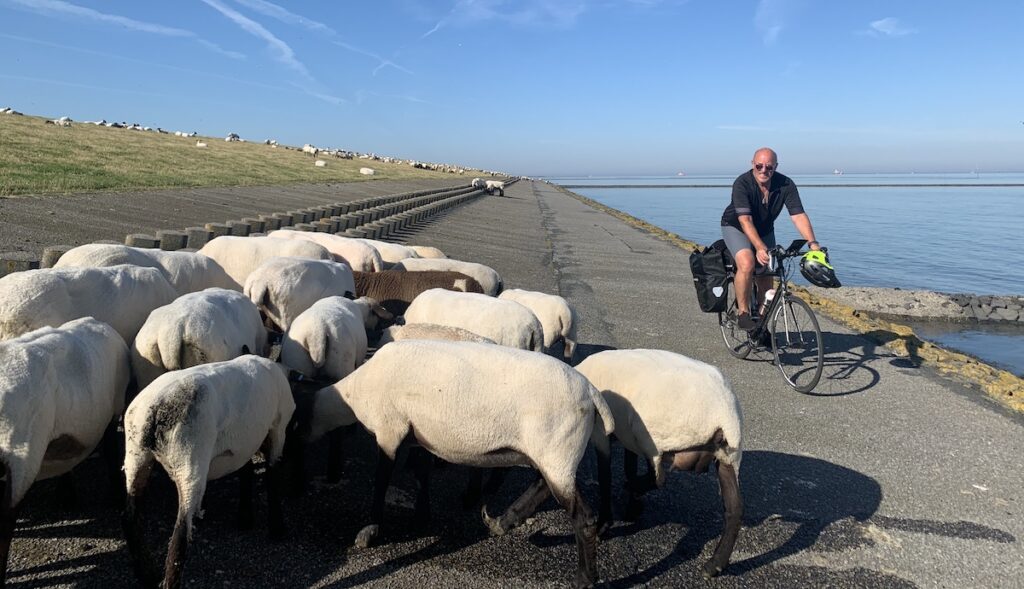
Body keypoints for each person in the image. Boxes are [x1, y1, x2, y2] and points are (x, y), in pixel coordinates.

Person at [721, 147, 823, 330]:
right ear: (752, 164)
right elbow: (745, 220)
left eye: (769, 167)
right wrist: (760, 247)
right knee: (747, 263)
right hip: (736, 226)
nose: (764, 171)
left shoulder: (785, 184)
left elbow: (798, 215)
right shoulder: (742, 183)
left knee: (768, 271)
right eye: (759, 166)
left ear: (776, 166)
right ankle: (743, 312)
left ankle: (761, 325)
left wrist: (813, 244)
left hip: (765, 229)